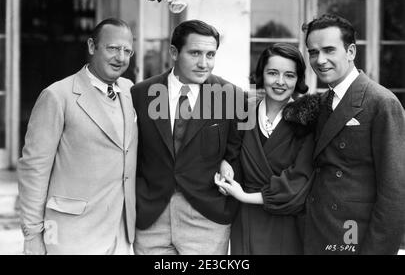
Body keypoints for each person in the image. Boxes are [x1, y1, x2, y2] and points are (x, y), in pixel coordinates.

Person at [18, 18, 138, 255]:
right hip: (70, 236)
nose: (121, 58)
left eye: (127, 51)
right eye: (112, 48)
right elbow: (34, 169)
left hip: (120, 234)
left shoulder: (130, 90)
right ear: (92, 47)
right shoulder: (56, 95)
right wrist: (32, 234)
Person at [131, 20, 244, 255]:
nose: (204, 63)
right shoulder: (140, 94)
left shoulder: (230, 96)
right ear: (174, 52)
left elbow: (238, 150)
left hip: (206, 217)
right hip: (151, 216)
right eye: (195, 53)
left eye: (210, 54)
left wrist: (228, 164)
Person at [302, 14, 405, 255]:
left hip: (355, 240)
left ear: (350, 52)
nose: (320, 60)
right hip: (319, 233)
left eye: (329, 50)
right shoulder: (324, 101)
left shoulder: (381, 102)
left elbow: (395, 193)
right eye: (313, 52)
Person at [215, 43, 317, 255]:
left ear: (298, 79)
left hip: (286, 223)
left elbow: (298, 182)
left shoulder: (308, 121)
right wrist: (225, 164)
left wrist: (244, 196)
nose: (280, 82)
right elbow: (230, 150)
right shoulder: (243, 112)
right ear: (261, 74)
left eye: (289, 75)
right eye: (273, 73)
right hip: (244, 220)